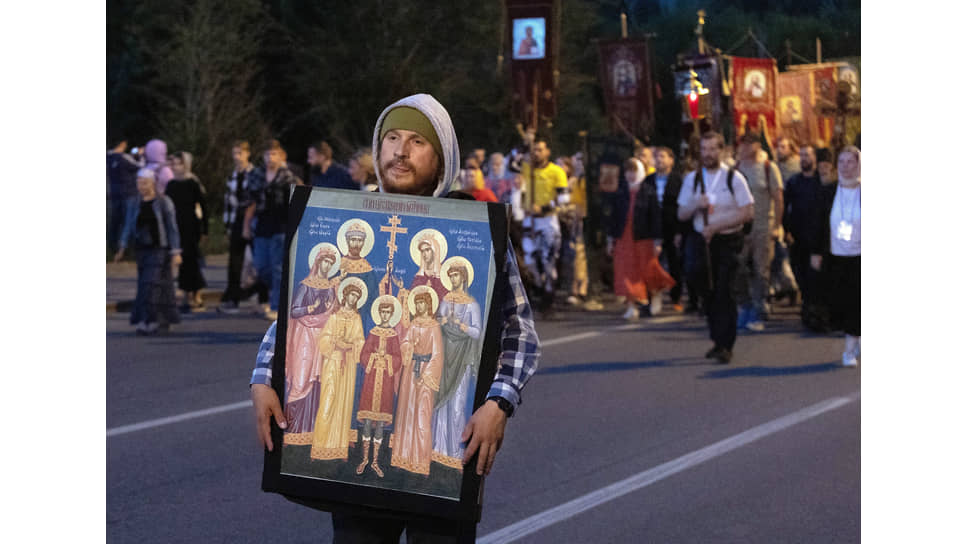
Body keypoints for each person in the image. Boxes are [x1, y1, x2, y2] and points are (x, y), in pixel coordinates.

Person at [250, 93, 540, 542]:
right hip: (363, 444)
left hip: (441, 434)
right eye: (391, 138)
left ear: (442, 157)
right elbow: (301, 308)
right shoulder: (345, 214)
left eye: (417, 142)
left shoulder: (477, 230)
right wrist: (262, 377)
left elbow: (519, 332)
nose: (400, 151)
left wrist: (498, 403)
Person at [677, 132, 754, 364]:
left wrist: (718, 225)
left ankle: (726, 343)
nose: (708, 154)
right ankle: (716, 339)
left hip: (727, 240)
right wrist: (695, 204)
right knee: (706, 290)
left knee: (724, 290)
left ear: (722, 151)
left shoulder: (734, 178)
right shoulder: (692, 179)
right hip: (702, 240)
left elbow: (747, 212)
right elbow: (681, 213)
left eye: (713, 149)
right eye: (704, 149)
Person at [114, 169, 182, 335]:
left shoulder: (164, 202)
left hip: (159, 249)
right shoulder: (134, 202)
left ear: (152, 183)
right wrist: (122, 246)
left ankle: (150, 320)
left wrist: (175, 251)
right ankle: (157, 319)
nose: (141, 186)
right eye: (139, 183)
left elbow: (172, 228)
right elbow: (129, 224)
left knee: (150, 285)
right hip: (142, 249)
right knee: (155, 286)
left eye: (144, 183)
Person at [810, 146, 861, 367]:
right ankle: (855, 335)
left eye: (851, 162)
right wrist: (816, 252)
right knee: (840, 302)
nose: (846, 167)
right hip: (836, 255)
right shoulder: (828, 192)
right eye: (842, 162)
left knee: (857, 302)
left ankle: (849, 349)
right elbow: (819, 225)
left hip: (861, 256)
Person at [284, 244, 340, 445]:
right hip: (305, 338)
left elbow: (334, 312)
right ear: (317, 263)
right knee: (301, 381)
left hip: (323, 338)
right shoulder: (305, 285)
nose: (327, 265)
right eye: (324, 261)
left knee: (319, 382)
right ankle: (293, 429)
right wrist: (311, 308)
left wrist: (331, 308)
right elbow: (294, 311)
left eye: (330, 263)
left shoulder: (331, 288)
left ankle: (311, 431)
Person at [609, 157, 675, 319]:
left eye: (634, 171)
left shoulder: (648, 192)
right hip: (624, 239)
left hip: (643, 238)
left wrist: (657, 240)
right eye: (628, 171)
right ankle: (631, 305)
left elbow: (655, 218)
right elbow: (613, 217)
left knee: (647, 270)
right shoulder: (620, 192)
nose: (631, 175)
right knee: (626, 271)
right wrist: (610, 239)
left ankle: (655, 293)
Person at [432, 260, 482, 470]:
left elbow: (477, 332)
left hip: (461, 357)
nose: (453, 279)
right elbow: (437, 322)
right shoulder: (446, 300)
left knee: (457, 405)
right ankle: (438, 449)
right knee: (442, 403)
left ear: (463, 278)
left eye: (456, 276)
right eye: (450, 276)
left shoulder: (471, 305)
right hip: (445, 354)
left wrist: (462, 325)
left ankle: (454, 453)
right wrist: (443, 322)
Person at [310, 279, 367, 461]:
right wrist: (336, 343)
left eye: (356, 296)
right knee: (328, 400)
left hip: (348, 365)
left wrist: (350, 345)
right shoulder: (334, 317)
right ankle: (320, 445)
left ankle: (340, 448)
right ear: (345, 296)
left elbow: (360, 342)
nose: (352, 298)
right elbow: (324, 339)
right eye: (351, 294)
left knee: (344, 404)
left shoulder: (357, 319)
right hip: (333, 362)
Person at [734, 130, 784, 331]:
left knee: (761, 269)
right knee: (738, 268)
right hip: (739, 228)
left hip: (763, 226)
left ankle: (759, 309)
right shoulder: (735, 170)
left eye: (749, 144)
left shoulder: (767, 168)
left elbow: (778, 198)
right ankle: (745, 305)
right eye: (742, 144)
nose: (745, 148)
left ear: (757, 145)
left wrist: (777, 226)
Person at [247, 139, 302, 321]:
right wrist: (246, 225)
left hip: (280, 225)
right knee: (261, 266)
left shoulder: (287, 176)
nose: (270, 158)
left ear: (281, 156)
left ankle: (276, 306)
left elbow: (299, 196)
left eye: (274, 154)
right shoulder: (256, 174)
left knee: (278, 267)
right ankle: (281, 292)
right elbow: (250, 201)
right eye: (267, 154)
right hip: (261, 225)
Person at [520, 137, 569, 315]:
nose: (536, 153)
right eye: (534, 149)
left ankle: (548, 298)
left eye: (540, 149)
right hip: (529, 221)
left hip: (548, 221)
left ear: (547, 152)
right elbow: (512, 163)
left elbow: (564, 200)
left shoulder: (557, 172)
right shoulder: (526, 169)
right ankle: (539, 288)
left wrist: (543, 208)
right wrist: (527, 140)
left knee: (548, 263)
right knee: (530, 261)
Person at [356, 295, 404, 477]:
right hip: (371, 381)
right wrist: (376, 357)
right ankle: (364, 459)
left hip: (385, 383)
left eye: (388, 312)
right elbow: (364, 355)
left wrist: (387, 358)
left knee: (380, 425)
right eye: (382, 312)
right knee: (368, 422)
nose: (385, 315)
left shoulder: (393, 335)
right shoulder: (373, 333)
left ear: (391, 315)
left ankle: (375, 461)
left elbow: (398, 359)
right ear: (379, 313)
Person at [219, 140, 268, 314]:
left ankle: (262, 297)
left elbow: (256, 198)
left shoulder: (254, 173)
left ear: (247, 154)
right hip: (236, 219)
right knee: (235, 261)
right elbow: (228, 201)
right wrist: (228, 225)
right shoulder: (233, 175)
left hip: (252, 220)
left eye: (240, 153)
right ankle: (233, 297)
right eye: (234, 153)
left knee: (259, 261)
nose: (237, 157)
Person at [783, 144, 826, 328]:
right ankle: (807, 308)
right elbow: (785, 207)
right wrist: (785, 230)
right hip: (798, 237)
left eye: (807, 155)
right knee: (800, 274)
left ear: (814, 158)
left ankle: (815, 313)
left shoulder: (822, 182)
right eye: (801, 155)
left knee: (816, 276)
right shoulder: (793, 182)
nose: (804, 159)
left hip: (817, 237)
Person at [165, 151, 209, 312]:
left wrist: (205, 229)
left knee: (192, 260)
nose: (176, 167)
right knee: (181, 260)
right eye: (174, 164)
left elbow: (203, 206)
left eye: (180, 163)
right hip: (176, 226)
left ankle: (196, 293)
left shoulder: (192, 183)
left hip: (191, 226)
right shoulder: (171, 185)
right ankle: (185, 293)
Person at [649, 147, 687, 312]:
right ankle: (652, 298)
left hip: (672, 226)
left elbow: (682, 205)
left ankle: (676, 297)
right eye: (656, 157)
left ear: (671, 160)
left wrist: (680, 231)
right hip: (653, 228)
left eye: (663, 157)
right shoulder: (648, 180)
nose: (659, 160)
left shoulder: (678, 180)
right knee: (652, 263)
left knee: (674, 263)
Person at [107, 139, 143, 253]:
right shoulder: (123, 157)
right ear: (122, 144)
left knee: (116, 220)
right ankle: (124, 247)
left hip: (115, 193)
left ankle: (112, 246)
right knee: (129, 220)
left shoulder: (108, 157)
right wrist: (140, 155)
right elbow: (139, 166)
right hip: (129, 192)